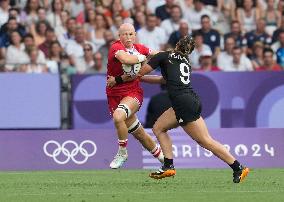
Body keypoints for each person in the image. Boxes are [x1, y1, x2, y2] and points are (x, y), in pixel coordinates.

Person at [137, 35, 249, 183]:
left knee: (205, 141)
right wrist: (142, 79)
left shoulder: (164, 55)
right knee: (158, 128)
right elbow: (163, 80)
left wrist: (137, 67)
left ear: (177, 45)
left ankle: (238, 167)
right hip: (189, 100)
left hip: (183, 103)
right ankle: (168, 165)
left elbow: (141, 70)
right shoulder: (186, 63)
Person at [106, 23, 164, 169]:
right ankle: (166, 161)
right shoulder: (116, 48)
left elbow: (158, 55)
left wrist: (174, 57)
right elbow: (126, 59)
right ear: (119, 36)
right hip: (114, 95)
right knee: (140, 134)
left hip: (133, 93)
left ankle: (122, 152)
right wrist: (142, 58)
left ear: (135, 35)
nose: (128, 37)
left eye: (131, 34)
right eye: (124, 34)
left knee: (119, 116)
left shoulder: (140, 48)